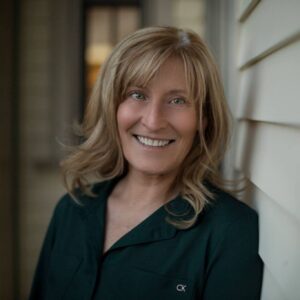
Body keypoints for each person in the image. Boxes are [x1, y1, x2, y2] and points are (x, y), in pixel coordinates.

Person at [29, 26, 263, 299]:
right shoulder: (71, 209)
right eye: (137, 95)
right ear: (112, 106)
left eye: (177, 100)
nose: (153, 121)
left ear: (204, 120)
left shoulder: (230, 231)